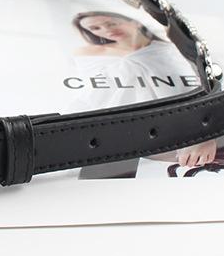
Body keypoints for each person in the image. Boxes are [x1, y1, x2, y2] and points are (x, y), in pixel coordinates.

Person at [68, 10, 216, 169]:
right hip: (108, 134)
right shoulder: (89, 54)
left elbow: (203, 86)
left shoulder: (176, 50)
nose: (106, 30)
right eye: (95, 28)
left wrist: (205, 132)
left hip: (173, 135)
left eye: (111, 23)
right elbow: (93, 95)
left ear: (134, 21)